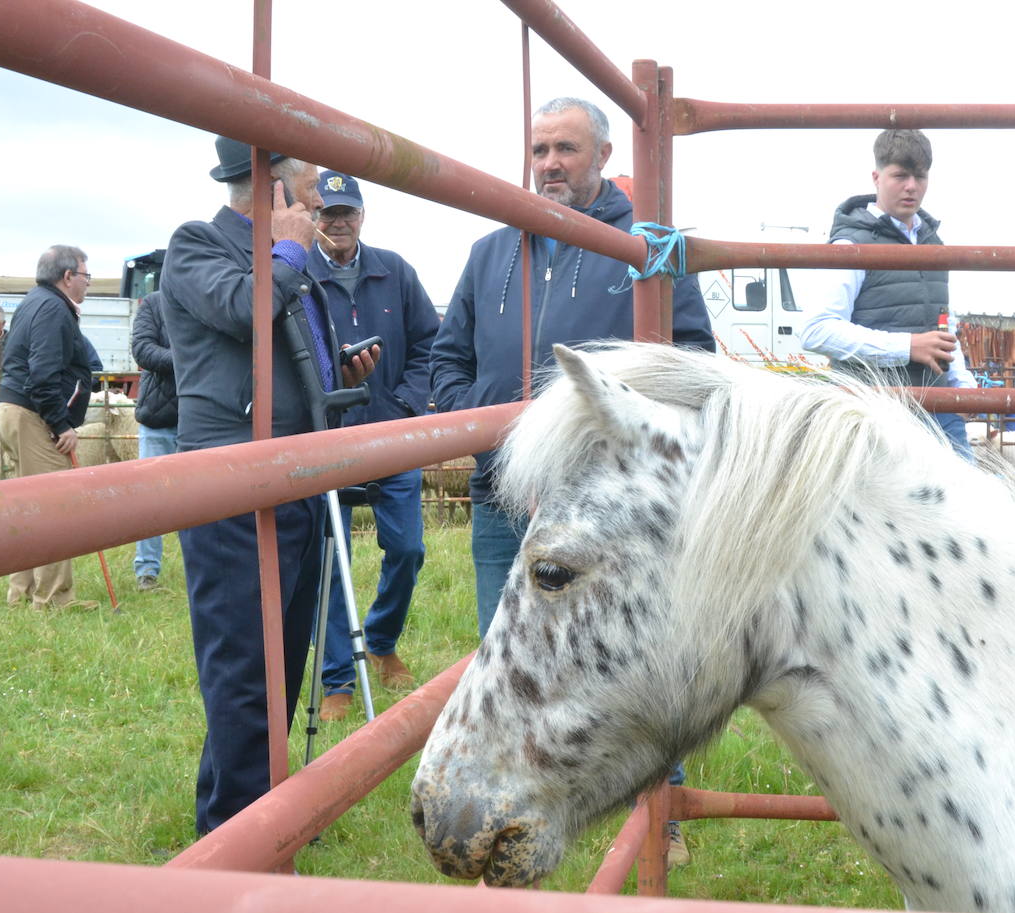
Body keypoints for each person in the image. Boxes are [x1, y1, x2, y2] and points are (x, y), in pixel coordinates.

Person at [430, 97, 712, 867]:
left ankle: (662, 811)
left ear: (603, 154)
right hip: (505, 502)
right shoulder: (491, 252)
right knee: (512, 654)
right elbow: (446, 362)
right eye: (539, 148)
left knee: (630, 653)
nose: (549, 163)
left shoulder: (644, 249)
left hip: (606, 512)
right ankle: (519, 798)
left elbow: (691, 365)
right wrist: (506, 438)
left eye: (565, 149)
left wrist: (573, 448)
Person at [159, 136, 379, 836]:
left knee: (279, 660)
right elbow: (243, 310)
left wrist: (337, 376)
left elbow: (285, 356)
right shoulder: (198, 245)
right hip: (232, 487)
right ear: (273, 185)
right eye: (308, 181)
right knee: (244, 666)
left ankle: (250, 809)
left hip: (293, 481)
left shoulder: (293, 263)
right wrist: (284, 252)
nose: (319, 195)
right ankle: (240, 833)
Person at [307, 170, 437, 721]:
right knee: (332, 558)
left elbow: (432, 343)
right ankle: (338, 677)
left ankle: (380, 641)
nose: (338, 221)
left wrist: (405, 405)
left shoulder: (396, 271)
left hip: (390, 435)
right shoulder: (297, 273)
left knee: (408, 550)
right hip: (325, 439)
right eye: (327, 212)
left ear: (363, 214)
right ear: (312, 217)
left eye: (347, 211)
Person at [799, 129, 975, 459]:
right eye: (900, 175)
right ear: (876, 177)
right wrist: (907, 347)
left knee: (969, 502)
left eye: (920, 176)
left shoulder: (933, 244)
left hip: (936, 404)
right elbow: (815, 328)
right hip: (872, 412)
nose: (912, 186)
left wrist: (962, 385)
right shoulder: (851, 245)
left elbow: (942, 324)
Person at [0, 245, 100, 610]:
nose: (88, 283)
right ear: (67, 277)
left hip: (12, 410)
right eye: (86, 276)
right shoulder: (54, 308)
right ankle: (53, 599)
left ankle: (20, 593)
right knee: (57, 504)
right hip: (31, 414)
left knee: (28, 505)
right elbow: (42, 375)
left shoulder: (34, 301)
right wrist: (60, 424)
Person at [130, 290, 178, 591]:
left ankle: (207, 567)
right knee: (150, 499)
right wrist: (186, 359)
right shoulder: (154, 303)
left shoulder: (210, 299)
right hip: (159, 415)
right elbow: (142, 348)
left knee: (207, 499)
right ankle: (147, 570)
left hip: (203, 419)